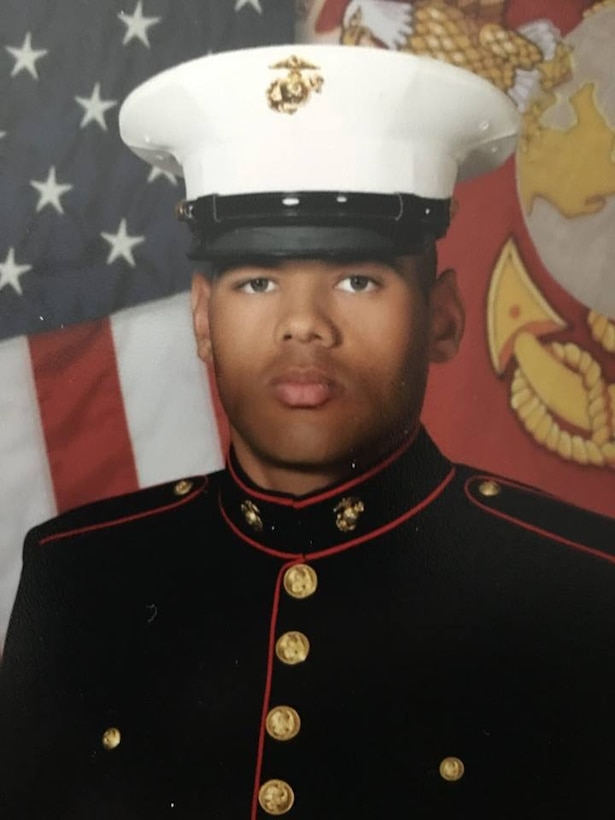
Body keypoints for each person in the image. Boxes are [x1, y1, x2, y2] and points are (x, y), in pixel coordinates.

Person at [1, 44, 614, 820]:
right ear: (200, 316)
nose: (303, 326)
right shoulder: (79, 577)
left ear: (443, 318)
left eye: (358, 279)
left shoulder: (584, 589)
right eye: (257, 281)